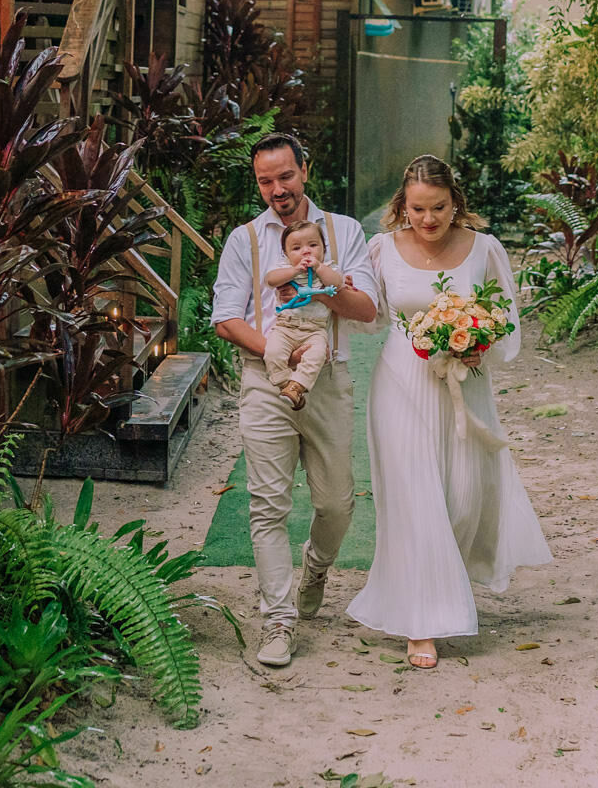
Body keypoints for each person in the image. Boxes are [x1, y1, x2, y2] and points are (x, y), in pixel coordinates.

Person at [347, 154, 552, 670]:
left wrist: (481, 342)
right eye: (417, 209)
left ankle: (437, 586)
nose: (428, 219)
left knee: (463, 498)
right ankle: (423, 623)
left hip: (466, 386)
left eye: (438, 207)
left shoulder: (484, 250)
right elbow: (369, 321)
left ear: (454, 201)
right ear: (402, 206)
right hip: (400, 384)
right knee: (416, 502)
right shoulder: (382, 250)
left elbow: (506, 318)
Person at [213, 132, 379, 667]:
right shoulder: (245, 240)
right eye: (266, 181)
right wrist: (282, 360)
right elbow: (225, 317)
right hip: (266, 379)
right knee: (267, 505)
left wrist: (319, 281)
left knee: (336, 504)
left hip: (328, 378)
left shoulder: (344, 232)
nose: (277, 189)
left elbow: (366, 309)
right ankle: (278, 621)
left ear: (305, 170)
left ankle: (317, 567)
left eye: (285, 176)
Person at [261, 219, 341, 410]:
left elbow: (337, 284)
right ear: (286, 254)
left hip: (315, 329)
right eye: (296, 248)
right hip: (285, 326)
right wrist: (295, 270)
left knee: (317, 355)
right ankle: (286, 385)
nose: (306, 251)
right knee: (272, 353)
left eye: (313, 245)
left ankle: (298, 385)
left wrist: (319, 268)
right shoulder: (285, 268)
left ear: (323, 248)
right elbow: (270, 280)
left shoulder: (328, 268)